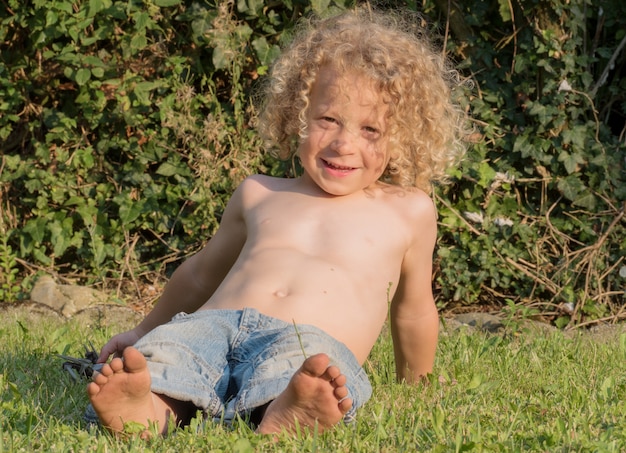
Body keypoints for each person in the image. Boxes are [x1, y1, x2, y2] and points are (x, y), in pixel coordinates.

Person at [87, 6, 468, 437]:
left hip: (306, 342)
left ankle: (291, 410)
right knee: (175, 352)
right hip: (213, 325)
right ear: (296, 115)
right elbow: (198, 276)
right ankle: (147, 406)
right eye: (328, 120)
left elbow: (413, 311)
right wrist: (143, 330)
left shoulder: (407, 209)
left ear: (401, 136)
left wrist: (418, 384)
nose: (344, 143)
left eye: (370, 130)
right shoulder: (260, 191)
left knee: (311, 371)